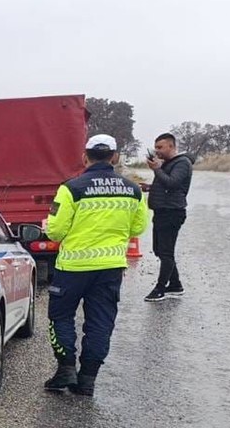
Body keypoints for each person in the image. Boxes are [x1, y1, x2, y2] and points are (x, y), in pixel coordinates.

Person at [42, 134, 149, 397]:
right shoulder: (133, 190)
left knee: (60, 317)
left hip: (72, 268)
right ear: (115, 157)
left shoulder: (71, 188)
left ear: (84, 157)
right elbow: (138, 227)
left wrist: (52, 228)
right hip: (110, 268)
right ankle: (88, 379)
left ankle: (66, 369)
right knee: (100, 322)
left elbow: (55, 231)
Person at [145, 132, 194, 301]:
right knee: (159, 249)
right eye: (155, 147)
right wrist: (150, 187)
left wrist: (156, 169)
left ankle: (160, 288)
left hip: (172, 212)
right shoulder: (168, 163)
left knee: (166, 252)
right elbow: (166, 184)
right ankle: (175, 284)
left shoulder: (182, 163)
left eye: (160, 147)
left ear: (171, 146)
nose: (157, 151)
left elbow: (172, 183)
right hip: (161, 211)